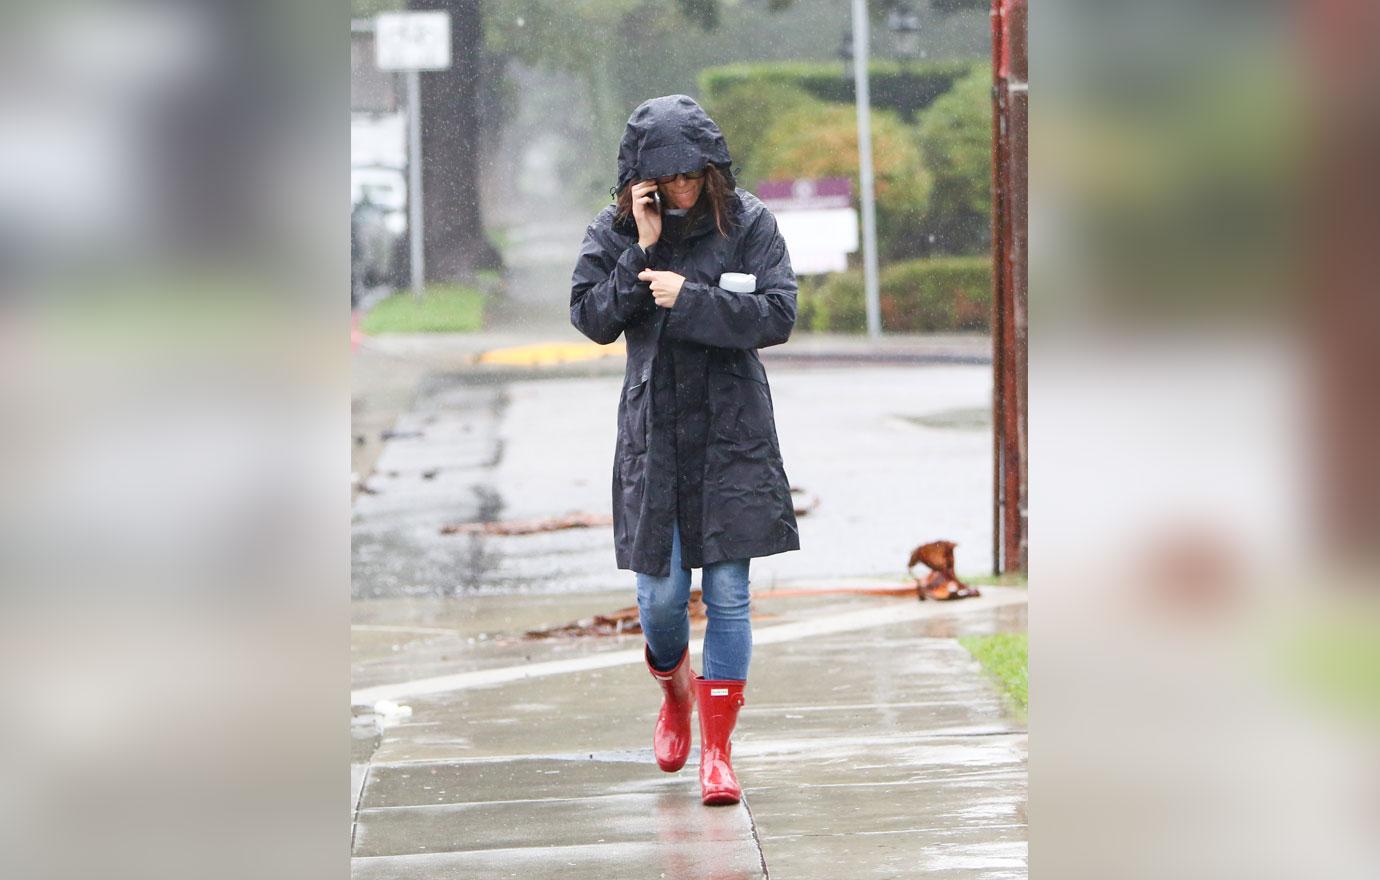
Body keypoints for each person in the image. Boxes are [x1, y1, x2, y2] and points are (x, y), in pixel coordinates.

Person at [569, 94, 800, 806]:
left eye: (693, 174)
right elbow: (592, 319)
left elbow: (778, 313)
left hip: (732, 432)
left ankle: (719, 753)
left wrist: (690, 296)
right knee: (661, 597)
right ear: (639, 180)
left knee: (730, 594)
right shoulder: (615, 233)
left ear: (712, 169)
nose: (683, 188)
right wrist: (640, 251)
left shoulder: (749, 223)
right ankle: (673, 691)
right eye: (667, 178)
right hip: (655, 436)